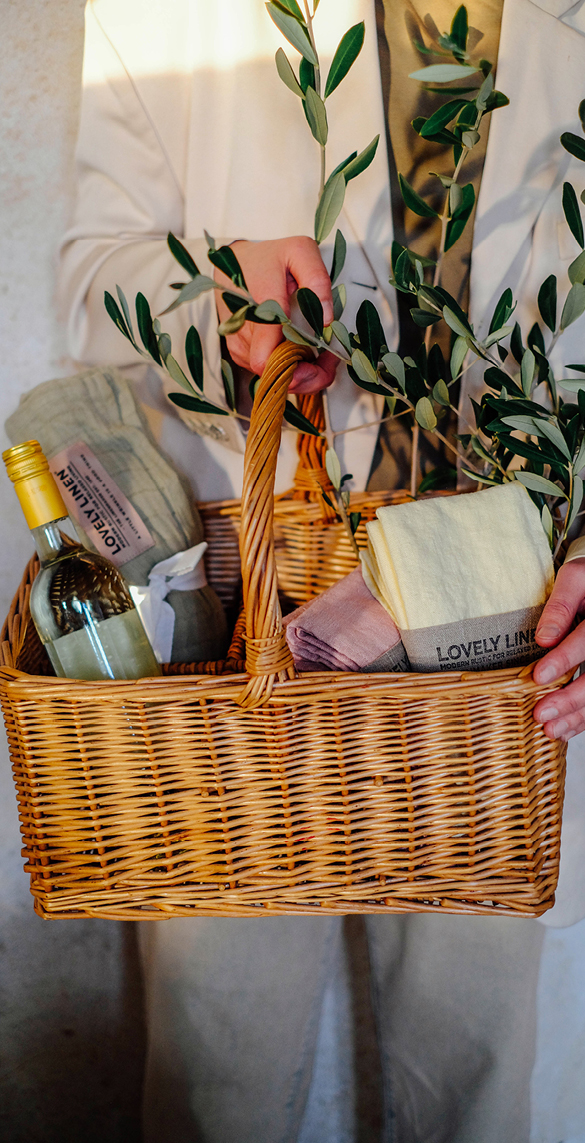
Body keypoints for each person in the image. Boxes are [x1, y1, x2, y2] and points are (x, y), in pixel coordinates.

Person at [57, 1, 585, 1139]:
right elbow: (91, 278)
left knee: (477, 1093)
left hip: (517, 650)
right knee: (213, 1086)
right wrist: (215, 304)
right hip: (251, 646)